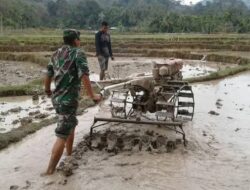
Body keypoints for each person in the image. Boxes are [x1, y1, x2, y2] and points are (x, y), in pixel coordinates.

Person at [44, 29, 101, 175]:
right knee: (62, 133)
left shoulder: (55, 53)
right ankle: (49, 171)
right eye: (79, 39)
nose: (79, 41)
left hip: (57, 98)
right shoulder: (78, 53)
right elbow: (84, 75)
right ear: (75, 40)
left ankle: (69, 155)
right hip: (68, 100)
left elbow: (49, 74)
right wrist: (92, 95)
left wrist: (48, 90)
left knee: (70, 124)